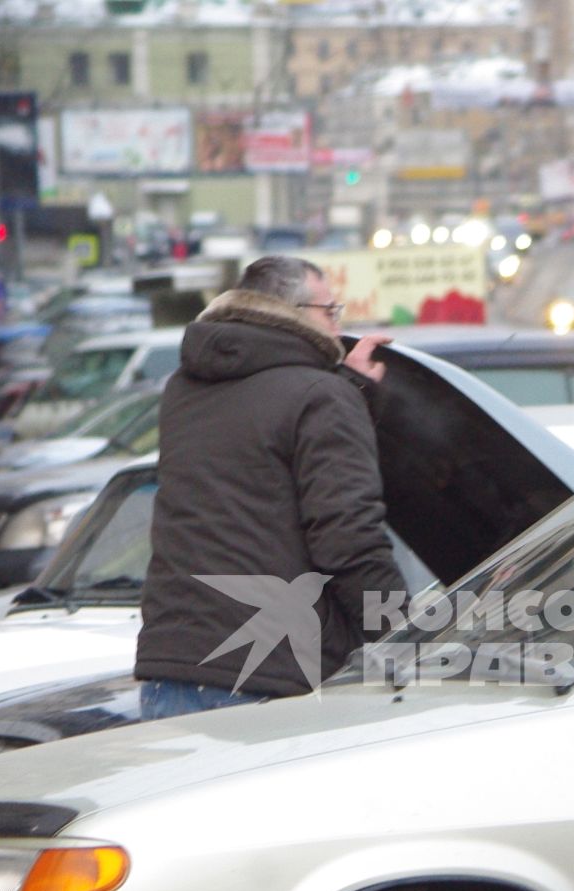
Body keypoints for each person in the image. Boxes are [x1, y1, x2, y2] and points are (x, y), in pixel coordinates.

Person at [134, 254, 405, 719]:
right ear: (295, 314)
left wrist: (345, 389)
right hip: (271, 677)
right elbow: (347, 538)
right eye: (331, 312)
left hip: (171, 666)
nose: (338, 329)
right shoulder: (320, 397)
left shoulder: (184, 388)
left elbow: (259, 448)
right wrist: (403, 634)